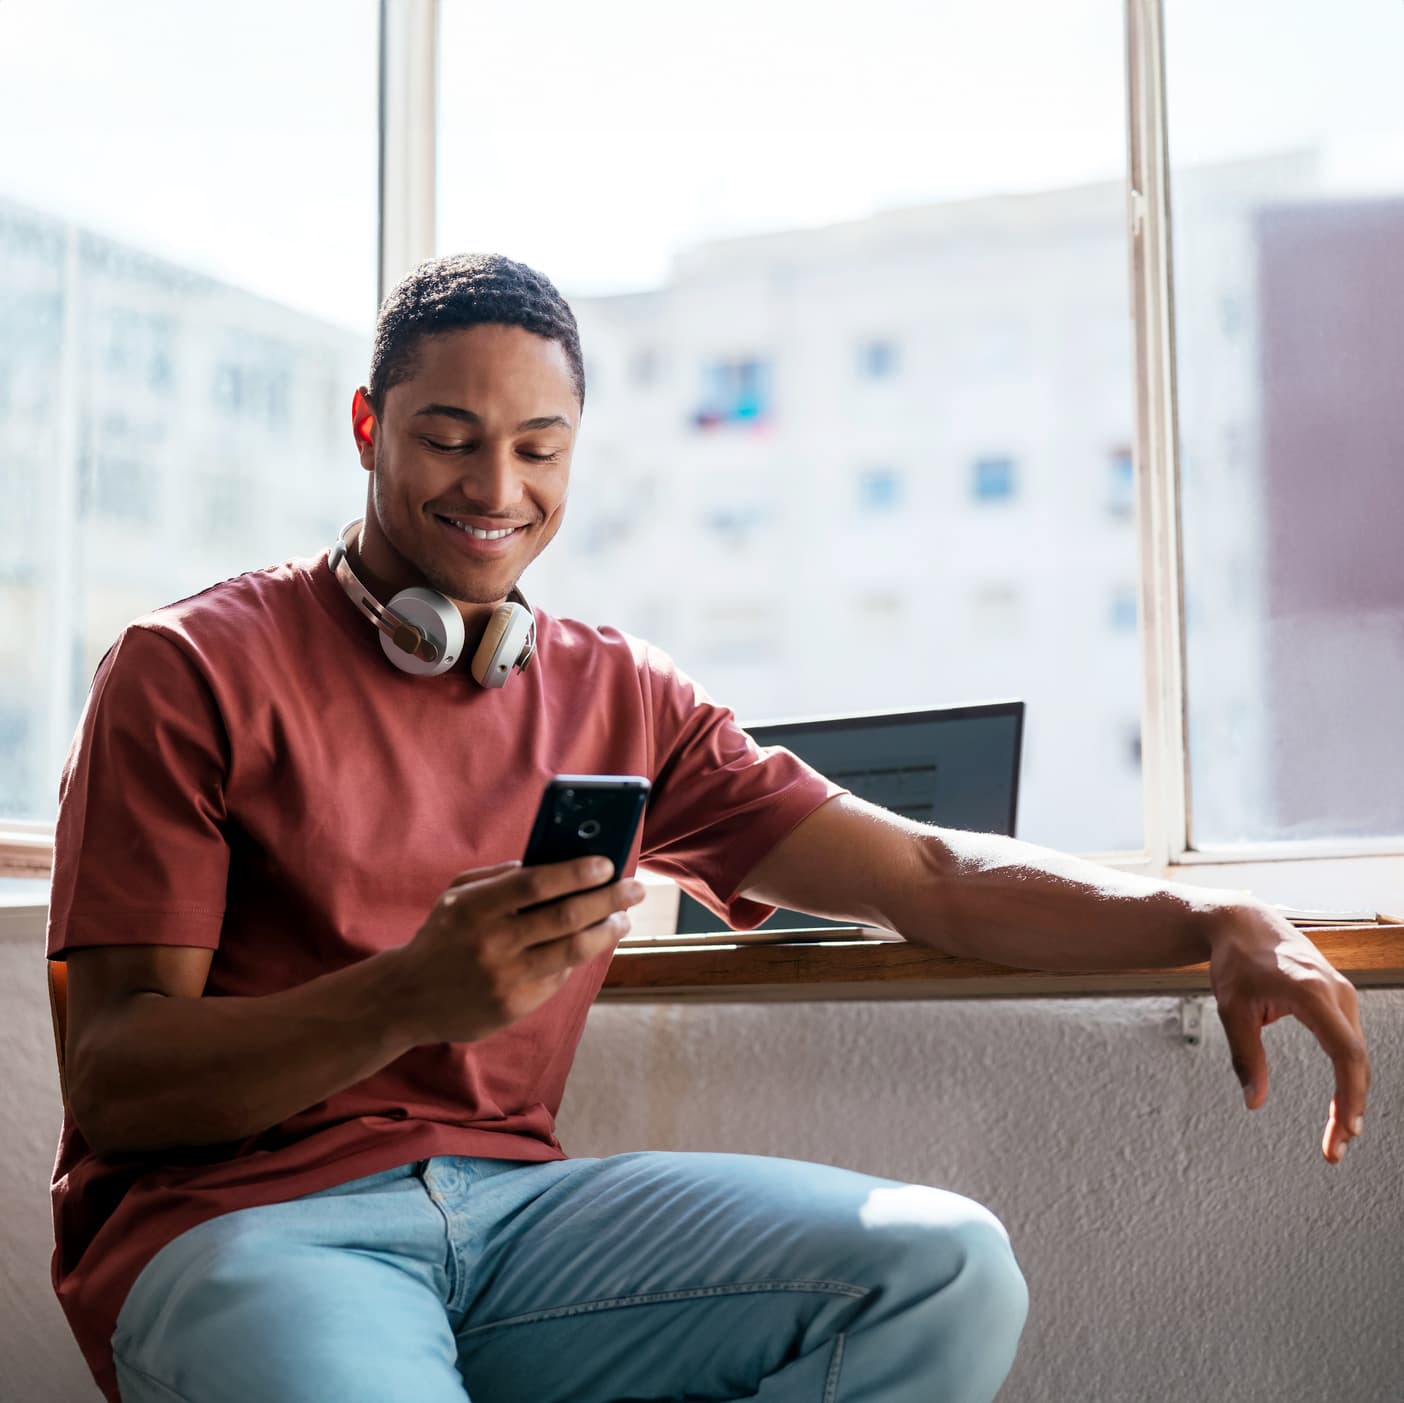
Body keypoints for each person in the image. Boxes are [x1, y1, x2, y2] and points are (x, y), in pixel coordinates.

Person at [47, 254, 1369, 1403]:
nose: (495, 485)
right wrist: (407, 995)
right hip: (239, 1229)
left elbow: (924, 872)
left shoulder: (622, 693)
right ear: (366, 426)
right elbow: (119, 1082)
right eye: (448, 438)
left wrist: (1211, 917)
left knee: (941, 1271)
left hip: (515, 1219)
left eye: (538, 447)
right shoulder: (188, 668)